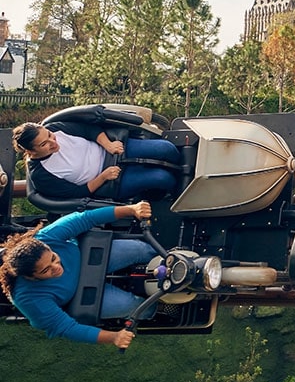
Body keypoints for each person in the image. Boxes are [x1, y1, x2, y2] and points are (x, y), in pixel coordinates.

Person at [0, 201, 156, 349]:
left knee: (139, 249)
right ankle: (161, 308)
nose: (56, 267)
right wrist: (113, 337)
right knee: (131, 306)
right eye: (45, 270)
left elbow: (86, 218)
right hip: (79, 295)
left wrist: (131, 209)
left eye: (53, 258)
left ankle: (171, 256)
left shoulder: (46, 237)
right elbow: (65, 327)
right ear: (31, 277)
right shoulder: (27, 298)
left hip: (86, 258)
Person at [13, 120, 180, 201]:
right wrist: (103, 177)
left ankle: (189, 170)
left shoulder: (55, 128)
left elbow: (88, 129)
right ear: (31, 151)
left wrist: (109, 145)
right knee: (161, 178)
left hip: (111, 150)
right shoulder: (41, 175)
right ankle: (172, 195)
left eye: (49, 136)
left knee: (165, 149)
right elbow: (75, 194)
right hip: (108, 181)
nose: (53, 142)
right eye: (44, 144)